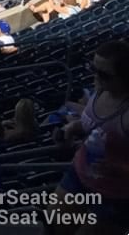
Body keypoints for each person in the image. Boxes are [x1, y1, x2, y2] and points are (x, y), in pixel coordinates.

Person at [56, 39, 129, 226]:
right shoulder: (100, 90)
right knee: (54, 225)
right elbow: (94, 124)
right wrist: (72, 128)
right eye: (92, 68)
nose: (95, 76)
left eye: (103, 74)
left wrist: (120, 168)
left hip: (113, 194)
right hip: (79, 174)